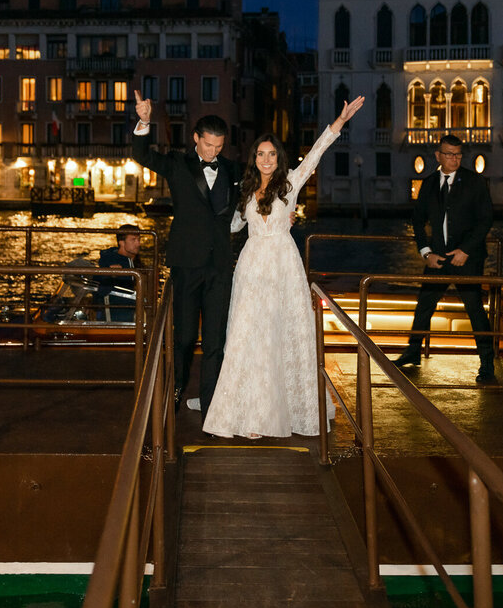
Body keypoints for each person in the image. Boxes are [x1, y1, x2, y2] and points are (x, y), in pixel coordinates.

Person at [203, 96, 365, 439]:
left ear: (279, 159)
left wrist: (339, 122)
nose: (266, 159)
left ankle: (280, 410)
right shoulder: (244, 190)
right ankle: (250, 412)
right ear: (254, 159)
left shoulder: (290, 183)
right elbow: (230, 226)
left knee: (278, 335)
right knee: (247, 336)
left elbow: (317, 155)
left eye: (271, 154)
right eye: (260, 154)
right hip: (250, 268)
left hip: (282, 267)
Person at [131, 96, 239, 419]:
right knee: (184, 337)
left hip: (220, 266)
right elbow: (141, 154)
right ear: (196, 138)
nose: (213, 152)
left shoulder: (233, 170)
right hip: (186, 265)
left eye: (218, 147)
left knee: (215, 342)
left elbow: (258, 195)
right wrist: (144, 122)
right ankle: (174, 395)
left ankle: (211, 405)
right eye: (208, 145)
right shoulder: (178, 164)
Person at [394, 134, 496, 383]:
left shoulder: (475, 182)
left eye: (459, 154)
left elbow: (486, 220)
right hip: (437, 258)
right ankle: (413, 351)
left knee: (475, 310)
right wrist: (426, 252)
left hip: (468, 258)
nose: (455, 159)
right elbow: (418, 221)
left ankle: (487, 364)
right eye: (449, 154)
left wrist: (466, 251)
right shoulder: (428, 183)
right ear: (438, 156)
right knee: (424, 304)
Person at [96, 224, 142, 322]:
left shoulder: (129, 261)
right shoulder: (114, 262)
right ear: (121, 242)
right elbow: (101, 284)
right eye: (133, 240)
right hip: (120, 313)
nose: (138, 244)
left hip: (126, 308)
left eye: (139, 239)